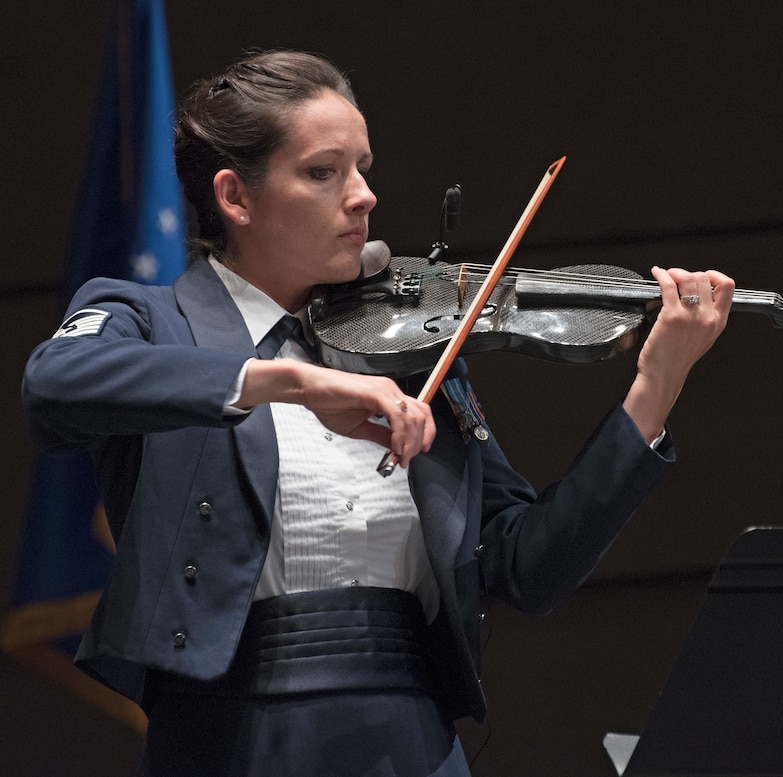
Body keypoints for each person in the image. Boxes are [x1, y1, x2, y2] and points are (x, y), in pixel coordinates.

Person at [22, 50, 735, 776]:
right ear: (236, 197)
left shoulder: (408, 352)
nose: (363, 196)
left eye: (363, 167)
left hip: (414, 740)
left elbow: (529, 566)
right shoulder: (149, 319)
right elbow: (55, 382)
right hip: (231, 740)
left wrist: (656, 384)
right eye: (324, 171)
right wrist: (292, 384)